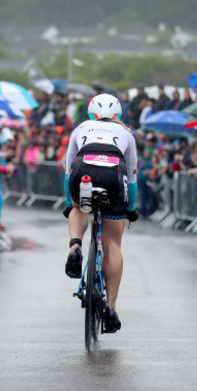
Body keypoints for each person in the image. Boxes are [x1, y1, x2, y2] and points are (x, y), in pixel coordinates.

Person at [63, 93, 138, 333]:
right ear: (118, 113)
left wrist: (69, 202)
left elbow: (67, 171)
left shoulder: (80, 128)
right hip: (114, 175)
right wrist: (131, 208)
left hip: (82, 168)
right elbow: (133, 178)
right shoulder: (126, 134)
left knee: (78, 207)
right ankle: (112, 308)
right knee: (112, 244)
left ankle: (75, 245)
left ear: (90, 112)